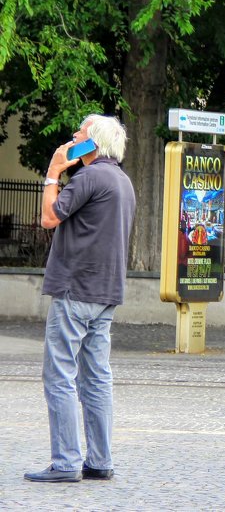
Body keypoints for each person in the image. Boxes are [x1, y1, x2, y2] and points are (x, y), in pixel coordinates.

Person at [25, 115, 135, 483]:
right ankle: (100, 461)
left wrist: (54, 171)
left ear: (94, 143)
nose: (73, 136)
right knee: (96, 378)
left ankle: (66, 462)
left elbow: (48, 218)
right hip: (106, 291)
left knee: (59, 375)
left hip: (75, 289)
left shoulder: (89, 177)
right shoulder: (122, 180)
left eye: (81, 133)